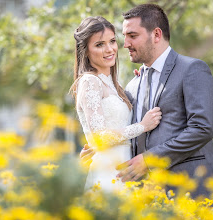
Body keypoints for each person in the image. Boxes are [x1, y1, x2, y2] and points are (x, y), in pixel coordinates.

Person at [81, 4, 213, 199]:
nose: (125, 44)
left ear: (156, 34)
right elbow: (121, 131)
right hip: (144, 197)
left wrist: (150, 160)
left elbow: (202, 128)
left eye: (132, 36)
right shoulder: (131, 85)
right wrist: (100, 150)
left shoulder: (192, 69)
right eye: (124, 36)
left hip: (189, 191)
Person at [70, 16, 162, 192]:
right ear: (85, 51)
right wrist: (142, 126)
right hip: (108, 170)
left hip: (126, 166)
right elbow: (100, 137)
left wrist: (140, 82)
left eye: (112, 41)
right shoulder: (90, 81)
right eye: (99, 44)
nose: (109, 49)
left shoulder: (113, 84)